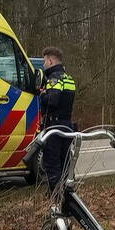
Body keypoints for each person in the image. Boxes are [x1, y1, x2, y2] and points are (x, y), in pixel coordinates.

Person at [38, 46, 76, 191]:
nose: (43, 65)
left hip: (54, 125)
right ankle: (68, 194)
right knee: (65, 162)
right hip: (67, 124)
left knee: (52, 163)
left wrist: (42, 95)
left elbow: (53, 100)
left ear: (51, 60)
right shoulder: (69, 78)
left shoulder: (54, 78)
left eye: (44, 61)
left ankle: (55, 195)